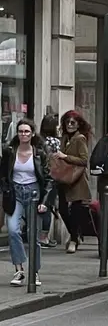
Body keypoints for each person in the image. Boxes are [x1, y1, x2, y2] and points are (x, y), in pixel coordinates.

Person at [0, 118, 54, 286]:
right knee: (13, 230)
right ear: (17, 133)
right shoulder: (10, 152)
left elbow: (49, 179)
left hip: (34, 194)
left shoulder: (39, 154)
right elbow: (3, 175)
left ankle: (34, 272)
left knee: (33, 236)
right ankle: (19, 270)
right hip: (15, 193)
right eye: (21, 131)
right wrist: (5, 190)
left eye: (26, 131)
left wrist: (44, 201)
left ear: (32, 134)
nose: (23, 134)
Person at [54, 110, 91, 254]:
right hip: (64, 178)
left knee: (75, 211)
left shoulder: (80, 138)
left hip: (77, 179)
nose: (69, 125)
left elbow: (84, 160)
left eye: (72, 122)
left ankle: (74, 240)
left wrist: (65, 156)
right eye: (67, 122)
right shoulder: (64, 138)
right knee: (62, 209)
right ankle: (75, 235)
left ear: (78, 124)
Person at [38, 114, 60, 248]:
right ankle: (44, 237)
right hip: (51, 176)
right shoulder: (54, 141)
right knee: (47, 205)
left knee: (39, 205)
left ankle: (36, 234)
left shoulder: (38, 140)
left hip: (38, 176)